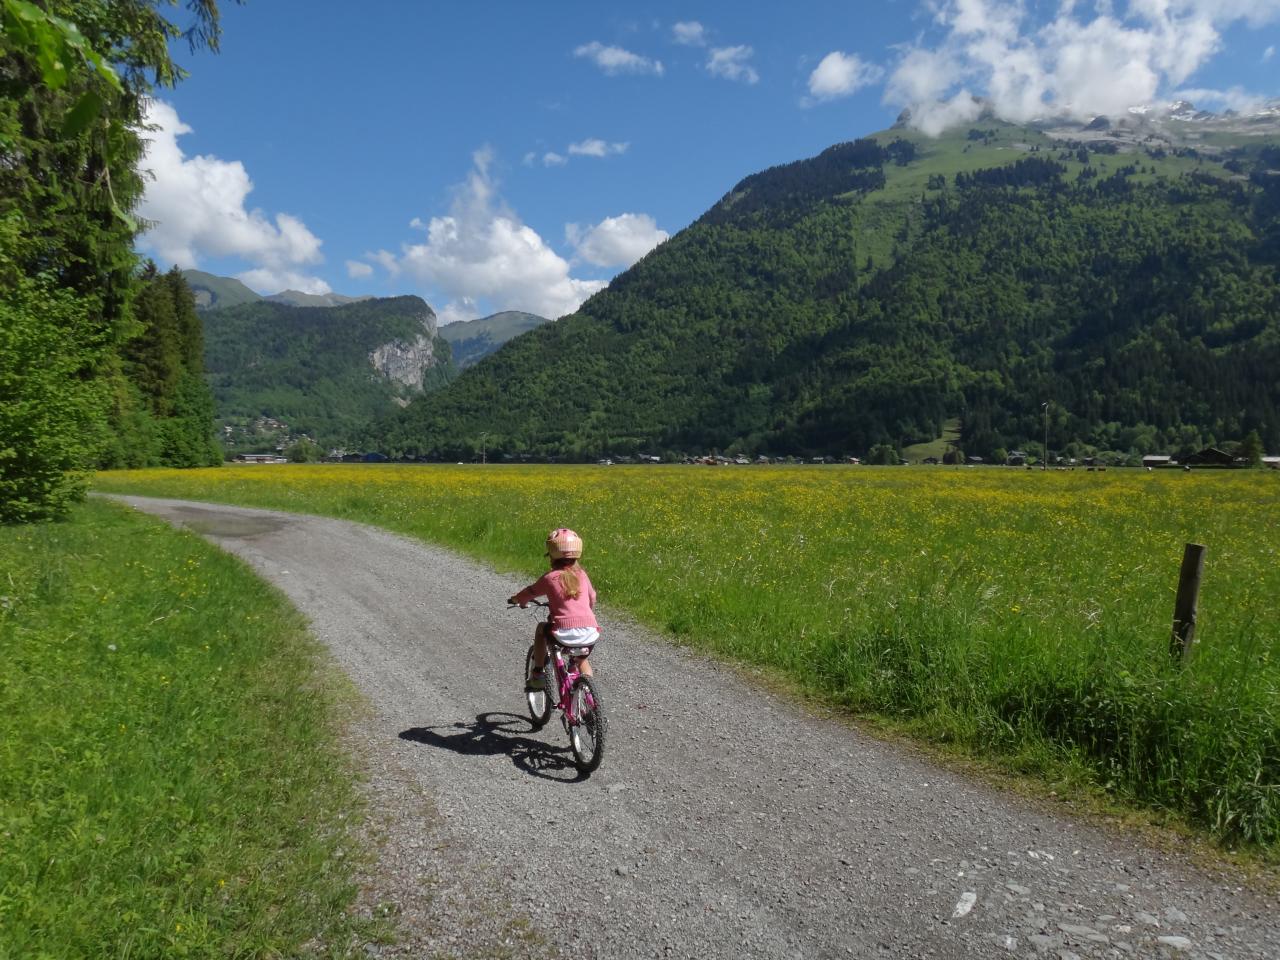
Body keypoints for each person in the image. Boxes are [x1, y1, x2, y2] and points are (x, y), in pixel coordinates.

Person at [508, 528, 600, 689]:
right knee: (582, 660)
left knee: (541, 628)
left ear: (551, 555)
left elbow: (529, 593)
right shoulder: (583, 575)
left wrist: (518, 600)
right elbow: (592, 597)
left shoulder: (550, 578)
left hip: (563, 632)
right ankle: (589, 695)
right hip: (590, 631)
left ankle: (537, 673)